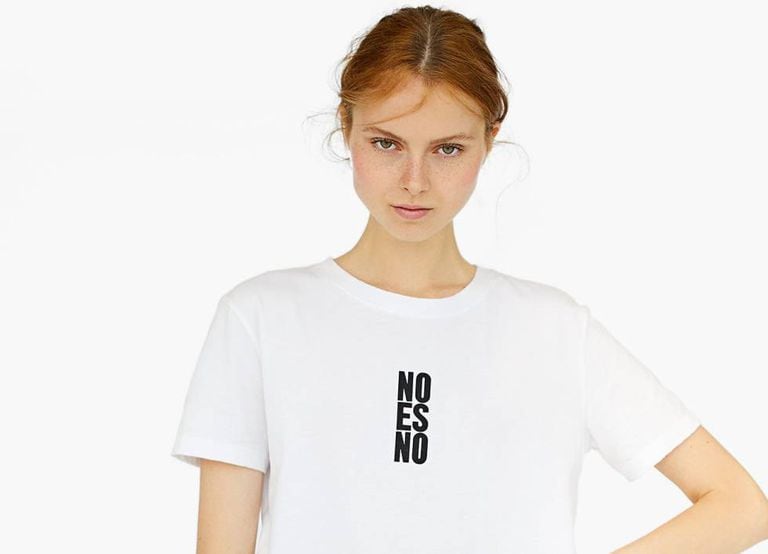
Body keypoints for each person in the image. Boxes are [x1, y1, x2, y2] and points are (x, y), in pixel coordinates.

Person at [171, 5, 768, 553]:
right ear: (346, 126)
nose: (414, 180)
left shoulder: (554, 330)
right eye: (386, 143)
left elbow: (740, 506)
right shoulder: (261, 318)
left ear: (489, 139)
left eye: (448, 149)